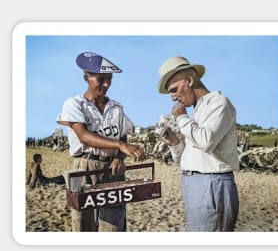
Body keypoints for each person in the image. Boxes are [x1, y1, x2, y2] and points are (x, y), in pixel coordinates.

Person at [57, 51, 145, 232]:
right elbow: (84, 136)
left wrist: (119, 157)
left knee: (113, 226)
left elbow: (123, 138)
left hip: (112, 169)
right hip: (85, 167)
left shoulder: (116, 108)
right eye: (101, 79)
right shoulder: (74, 104)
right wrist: (120, 145)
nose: (106, 84)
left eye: (109, 79)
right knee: (83, 225)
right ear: (87, 77)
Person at [157, 56, 239, 231]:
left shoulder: (218, 103)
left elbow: (205, 141)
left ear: (189, 80)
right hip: (196, 183)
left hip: (211, 182)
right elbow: (189, 156)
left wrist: (181, 116)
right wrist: (173, 142)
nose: (173, 97)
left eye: (174, 89)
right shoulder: (198, 109)